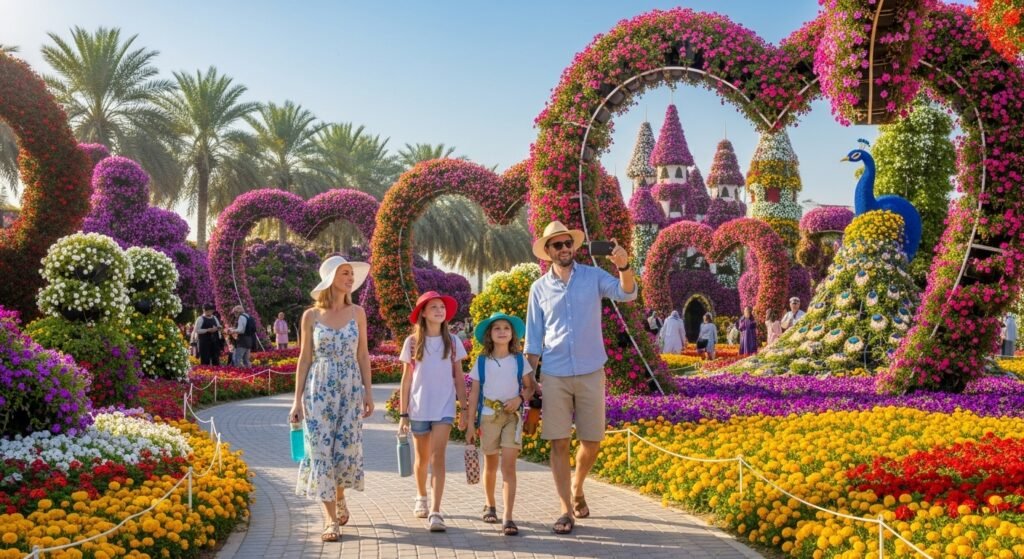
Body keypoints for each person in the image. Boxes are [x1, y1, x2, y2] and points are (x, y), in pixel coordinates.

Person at [524, 220, 637, 535]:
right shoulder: (539, 289)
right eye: (556, 245)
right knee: (558, 442)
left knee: (592, 440)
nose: (563, 249)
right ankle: (564, 509)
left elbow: (626, 293)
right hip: (556, 373)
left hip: (590, 371)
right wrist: (529, 378)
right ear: (547, 252)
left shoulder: (593, 277)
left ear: (573, 247)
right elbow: (533, 339)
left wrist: (623, 265)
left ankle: (577, 485)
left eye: (567, 244)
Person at [289, 256, 374, 543]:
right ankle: (329, 519)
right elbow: (304, 359)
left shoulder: (357, 313)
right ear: (331, 278)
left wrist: (368, 392)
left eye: (352, 274)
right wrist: (296, 401)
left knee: (345, 449)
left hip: (350, 389)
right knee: (321, 450)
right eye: (345, 273)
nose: (350, 278)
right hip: (319, 389)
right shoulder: (310, 316)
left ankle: (339, 498)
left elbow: (363, 355)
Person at [397, 291, 468, 532]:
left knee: (438, 457)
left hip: (444, 408)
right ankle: (421, 497)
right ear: (423, 313)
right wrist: (403, 414)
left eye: (442, 307)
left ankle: (436, 511)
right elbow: (406, 380)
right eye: (434, 307)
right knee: (422, 458)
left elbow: (459, 377)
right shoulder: (412, 342)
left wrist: (465, 409)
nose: (440, 310)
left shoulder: (454, 342)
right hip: (418, 409)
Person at [466, 312, 536, 536]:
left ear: (512, 333)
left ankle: (508, 516)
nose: (502, 331)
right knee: (491, 464)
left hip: (511, 418)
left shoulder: (518, 360)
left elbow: (529, 387)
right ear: (489, 334)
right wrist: (469, 424)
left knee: (508, 466)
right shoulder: (482, 361)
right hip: (488, 416)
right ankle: (490, 504)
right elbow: (474, 392)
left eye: (506, 327)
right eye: (497, 328)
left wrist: (520, 399)